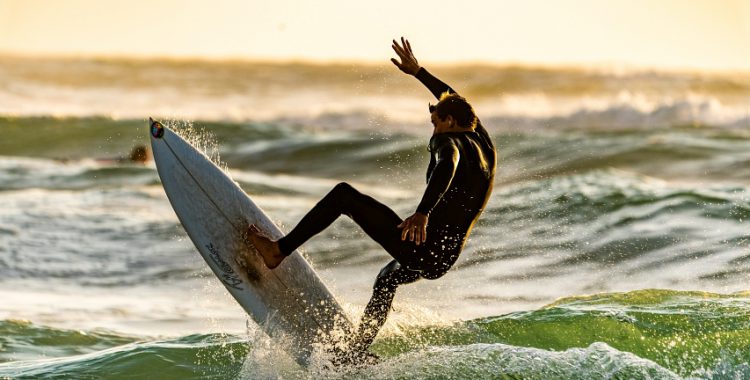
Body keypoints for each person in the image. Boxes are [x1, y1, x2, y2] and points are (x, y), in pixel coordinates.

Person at [241, 37, 496, 362]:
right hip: (444, 258)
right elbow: (453, 97)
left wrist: (422, 213)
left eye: (435, 123)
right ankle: (357, 352)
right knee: (386, 279)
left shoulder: (448, 143)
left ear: (448, 123)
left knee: (344, 196)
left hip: (425, 247)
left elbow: (448, 165)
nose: (432, 130)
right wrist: (418, 72)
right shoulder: (482, 141)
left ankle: (277, 250)